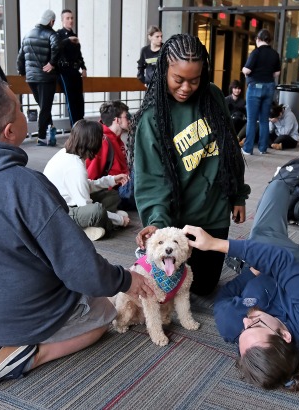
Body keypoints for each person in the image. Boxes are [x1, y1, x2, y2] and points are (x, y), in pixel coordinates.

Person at [0, 79, 154, 393]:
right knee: (103, 314)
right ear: (9, 131)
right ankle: (28, 353)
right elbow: (81, 269)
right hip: (20, 310)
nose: (24, 115)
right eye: (19, 110)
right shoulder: (25, 186)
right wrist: (126, 279)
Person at [129, 33, 250, 296]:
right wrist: (157, 223)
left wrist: (238, 195)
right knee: (173, 286)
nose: (186, 87)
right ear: (163, 72)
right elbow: (152, 181)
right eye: (178, 79)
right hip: (179, 221)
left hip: (215, 213)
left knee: (205, 289)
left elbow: (230, 149)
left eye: (194, 80)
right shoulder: (153, 119)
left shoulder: (214, 96)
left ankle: (229, 254)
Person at [183, 219, 299, 391]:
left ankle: (251, 256)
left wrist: (249, 274)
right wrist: (215, 244)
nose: (245, 321)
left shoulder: (231, 323)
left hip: (263, 261)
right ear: (285, 335)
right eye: (255, 324)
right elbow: (281, 262)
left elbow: (223, 297)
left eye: (243, 331)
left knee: (266, 225)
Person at [43, 119, 130, 241]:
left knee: (112, 196)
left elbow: (84, 185)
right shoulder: (75, 167)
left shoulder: (69, 154)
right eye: (101, 137)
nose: (103, 140)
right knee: (96, 211)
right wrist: (119, 220)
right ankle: (84, 228)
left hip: (66, 202)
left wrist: (111, 180)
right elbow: (85, 206)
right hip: (59, 212)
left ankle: (92, 225)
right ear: (93, 141)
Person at [17, 9, 61, 147]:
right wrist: (52, 63)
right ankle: (42, 137)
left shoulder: (28, 34)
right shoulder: (51, 34)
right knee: (45, 108)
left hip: (31, 78)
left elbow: (20, 56)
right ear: (51, 21)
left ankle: (50, 133)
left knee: (43, 106)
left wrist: (22, 71)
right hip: (45, 77)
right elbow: (57, 47)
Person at [86, 100, 134, 209]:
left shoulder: (117, 139)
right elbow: (90, 178)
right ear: (117, 120)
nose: (131, 119)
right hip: (116, 192)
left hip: (123, 186)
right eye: (128, 116)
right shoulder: (102, 142)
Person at [241, 29, 281, 155]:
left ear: (258, 39)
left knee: (252, 120)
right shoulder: (274, 54)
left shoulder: (256, 52)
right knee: (264, 119)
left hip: (255, 87)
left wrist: (243, 69)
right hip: (269, 87)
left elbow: (247, 70)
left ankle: (248, 149)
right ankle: (263, 148)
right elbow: (277, 73)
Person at [57, 9, 86, 126]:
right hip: (64, 71)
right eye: (68, 18)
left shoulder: (74, 35)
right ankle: (75, 128)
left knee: (80, 100)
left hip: (75, 71)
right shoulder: (58, 34)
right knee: (71, 101)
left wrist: (84, 68)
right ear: (62, 20)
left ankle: (81, 126)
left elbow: (79, 55)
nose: (70, 20)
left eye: (72, 18)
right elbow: (55, 48)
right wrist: (67, 40)